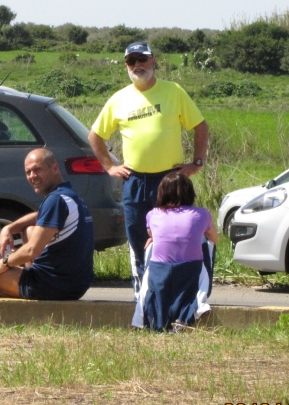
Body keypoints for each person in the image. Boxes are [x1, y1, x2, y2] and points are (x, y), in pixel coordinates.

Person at [88, 41, 209, 291]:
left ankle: (174, 292)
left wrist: (197, 162)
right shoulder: (119, 99)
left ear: (153, 61)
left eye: (142, 60)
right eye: (131, 61)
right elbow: (95, 136)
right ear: (126, 66)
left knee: (173, 239)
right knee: (138, 240)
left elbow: (200, 126)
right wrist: (110, 166)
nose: (137, 65)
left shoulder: (173, 91)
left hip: (170, 180)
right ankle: (143, 298)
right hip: (135, 181)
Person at [0, 149, 94, 300]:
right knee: (29, 230)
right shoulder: (69, 196)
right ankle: (29, 285)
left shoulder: (55, 200)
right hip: (77, 284)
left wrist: (4, 263)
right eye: (28, 172)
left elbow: (32, 250)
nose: (32, 176)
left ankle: (29, 308)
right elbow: (40, 216)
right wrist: (9, 228)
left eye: (37, 169)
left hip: (54, 284)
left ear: (54, 168)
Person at [133, 171, 218, 331]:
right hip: (190, 269)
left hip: (159, 270)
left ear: (162, 193)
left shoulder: (153, 214)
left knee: (150, 244)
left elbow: (153, 234)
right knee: (208, 242)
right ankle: (199, 301)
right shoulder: (201, 214)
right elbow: (215, 237)